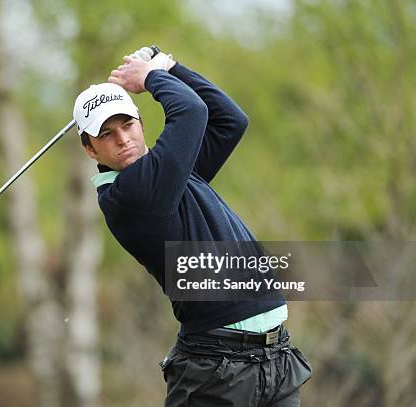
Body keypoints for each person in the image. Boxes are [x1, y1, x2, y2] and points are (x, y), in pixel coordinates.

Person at [73, 47, 312, 406]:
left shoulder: (169, 172)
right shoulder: (130, 194)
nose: (122, 139)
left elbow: (230, 121)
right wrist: (152, 77)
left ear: (140, 123)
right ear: (90, 150)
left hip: (275, 360)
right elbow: (191, 112)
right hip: (217, 372)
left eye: (127, 124)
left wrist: (173, 67)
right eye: (106, 134)